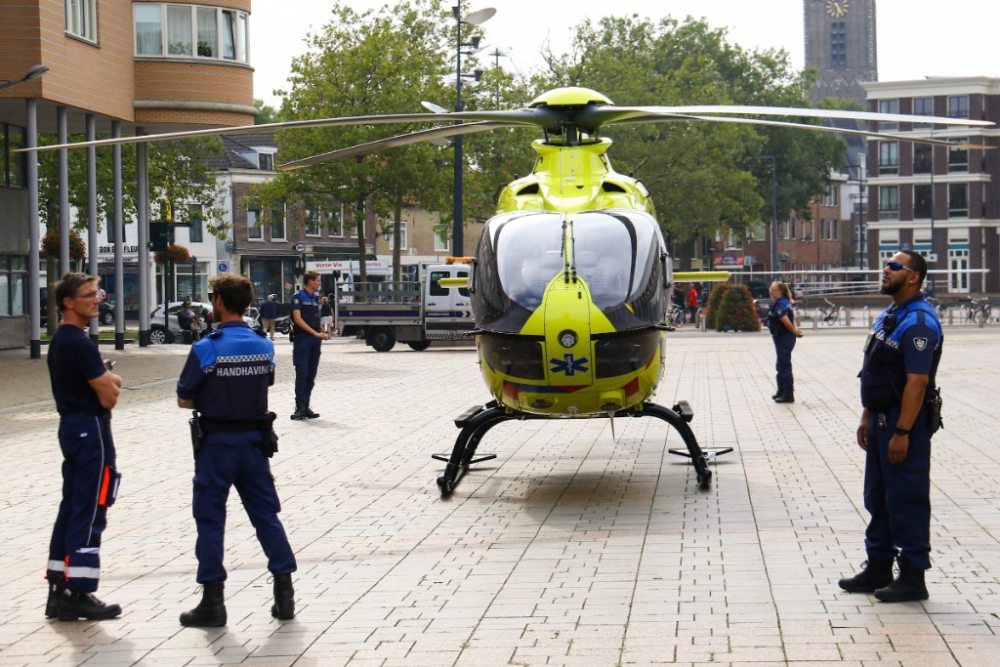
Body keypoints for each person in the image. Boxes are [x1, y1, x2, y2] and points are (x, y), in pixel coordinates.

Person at [175, 273, 296, 626]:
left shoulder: (206, 346)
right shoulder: (264, 344)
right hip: (255, 443)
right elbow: (266, 382)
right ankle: (284, 594)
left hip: (216, 445)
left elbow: (185, 398)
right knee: (265, 516)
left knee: (210, 518)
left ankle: (213, 602)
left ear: (218, 301)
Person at [839, 250, 943, 603]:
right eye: (886, 264)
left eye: (895, 266)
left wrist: (902, 432)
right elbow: (875, 369)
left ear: (913, 277)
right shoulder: (890, 315)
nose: (886, 270)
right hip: (881, 419)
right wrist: (867, 416)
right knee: (878, 497)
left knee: (907, 498)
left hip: (904, 425)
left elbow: (917, 382)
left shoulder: (919, 322)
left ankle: (913, 575)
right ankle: (879, 565)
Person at [45, 272, 124, 621]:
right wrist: (109, 381)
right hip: (91, 428)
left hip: (72, 427)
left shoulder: (62, 340)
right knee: (92, 507)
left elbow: (106, 383)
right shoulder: (79, 342)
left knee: (72, 504)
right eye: (89, 294)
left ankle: (58, 587)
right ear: (68, 302)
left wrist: (107, 379)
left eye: (98, 293)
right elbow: (108, 397)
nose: (97, 299)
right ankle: (80, 590)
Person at [290, 270, 328, 420]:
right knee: (302, 373)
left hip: (314, 339)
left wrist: (321, 333)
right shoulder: (298, 297)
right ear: (310, 281)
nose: (319, 283)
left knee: (311, 374)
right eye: (317, 280)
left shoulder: (316, 299)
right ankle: (299, 407)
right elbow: (298, 319)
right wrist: (315, 333)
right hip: (303, 339)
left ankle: (306, 406)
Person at [767, 281, 803, 403]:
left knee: (784, 365)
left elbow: (785, 320)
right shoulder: (785, 302)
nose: (771, 291)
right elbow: (792, 319)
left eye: (773, 290)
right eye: (770, 289)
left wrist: (793, 332)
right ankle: (781, 390)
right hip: (784, 337)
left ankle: (788, 393)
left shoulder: (780, 305)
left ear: (780, 291)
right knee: (781, 364)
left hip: (783, 337)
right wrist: (795, 331)